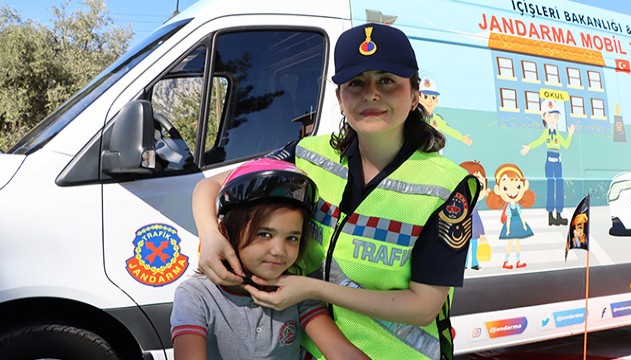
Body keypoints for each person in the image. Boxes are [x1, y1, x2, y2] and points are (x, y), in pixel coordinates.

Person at [192, 23, 480, 360]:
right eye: (355, 83)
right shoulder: (308, 154)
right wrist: (210, 235)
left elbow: (423, 307)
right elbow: (211, 185)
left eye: (387, 80)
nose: (371, 94)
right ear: (339, 99)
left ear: (415, 95)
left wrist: (311, 290)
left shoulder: (446, 186)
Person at [172, 158, 368, 360]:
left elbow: (342, 353)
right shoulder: (196, 296)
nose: (278, 250)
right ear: (228, 232)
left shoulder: (297, 294)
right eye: (264, 234)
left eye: (292, 238)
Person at [520, 99, 575, 226]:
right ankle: (551, 215)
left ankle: (559, 214)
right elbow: (538, 141)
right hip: (549, 162)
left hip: (558, 163)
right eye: (549, 115)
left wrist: (570, 134)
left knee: (559, 186)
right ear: (544, 117)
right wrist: (529, 146)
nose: (552, 118)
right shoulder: (546, 133)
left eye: (555, 116)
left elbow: (565, 145)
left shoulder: (557, 134)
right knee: (551, 187)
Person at [485, 163, 536, 270]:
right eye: (506, 188)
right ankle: (506, 261)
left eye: (517, 186)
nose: (512, 192)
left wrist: (524, 225)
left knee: (517, 244)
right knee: (510, 244)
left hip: (518, 226)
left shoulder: (516, 206)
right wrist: (507, 229)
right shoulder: (509, 207)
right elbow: (508, 219)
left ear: (524, 185)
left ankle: (518, 261)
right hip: (512, 227)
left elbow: (521, 216)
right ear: (498, 189)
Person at [419, 77, 472, 146]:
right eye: (425, 97)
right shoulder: (415, 117)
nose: (430, 101)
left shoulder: (437, 119)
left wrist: (461, 137)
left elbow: (448, 129)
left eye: (433, 97)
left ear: (437, 101)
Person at [459, 161, 489, 270]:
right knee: (465, 247)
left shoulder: (474, 205)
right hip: (465, 230)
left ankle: (474, 263)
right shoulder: (463, 204)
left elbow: (477, 219)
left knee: (474, 246)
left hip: (474, 229)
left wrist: (482, 232)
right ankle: (465, 264)